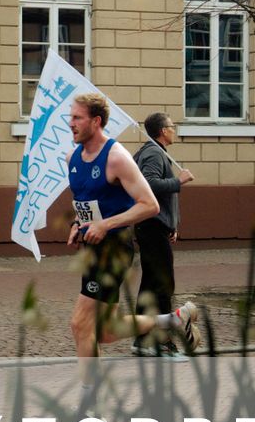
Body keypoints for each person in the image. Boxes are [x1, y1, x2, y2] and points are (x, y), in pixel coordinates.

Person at [63, 93, 199, 380]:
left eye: (77, 117)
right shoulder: (72, 158)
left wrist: (106, 225)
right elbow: (87, 204)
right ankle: (173, 320)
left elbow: (150, 205)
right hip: (92, 250)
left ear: (96, 121)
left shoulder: (117, 157)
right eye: (71, 116)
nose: (71, 123)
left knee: (80, 324)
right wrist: (79, 224)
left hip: (113, 249)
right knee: (106, 331)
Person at [131, 112, 195, 359]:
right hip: (151, 226)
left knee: (151, 284)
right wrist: (179, 181)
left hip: (155, 226)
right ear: (161, 131)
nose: (174, 129)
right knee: (162, 285)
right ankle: (163, 342)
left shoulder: (156, 152)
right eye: (171, 126)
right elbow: (149, 184)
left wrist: (171, 224)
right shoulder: (153, 153)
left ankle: (142, 338)